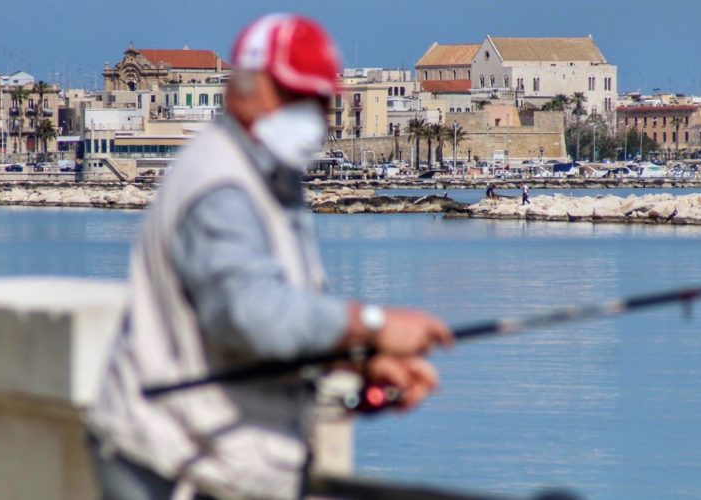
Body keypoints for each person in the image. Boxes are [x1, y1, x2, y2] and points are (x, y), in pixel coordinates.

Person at [87, 14, 452, 500]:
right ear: (243, 89)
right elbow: (251, 316)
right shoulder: (221, 186)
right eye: (293, 95)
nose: (312, 114)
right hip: (172, 465)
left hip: (214, 462)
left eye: (319, 100)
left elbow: (272, 323)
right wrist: (373, 326)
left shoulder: (267, 175)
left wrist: (356, 363)